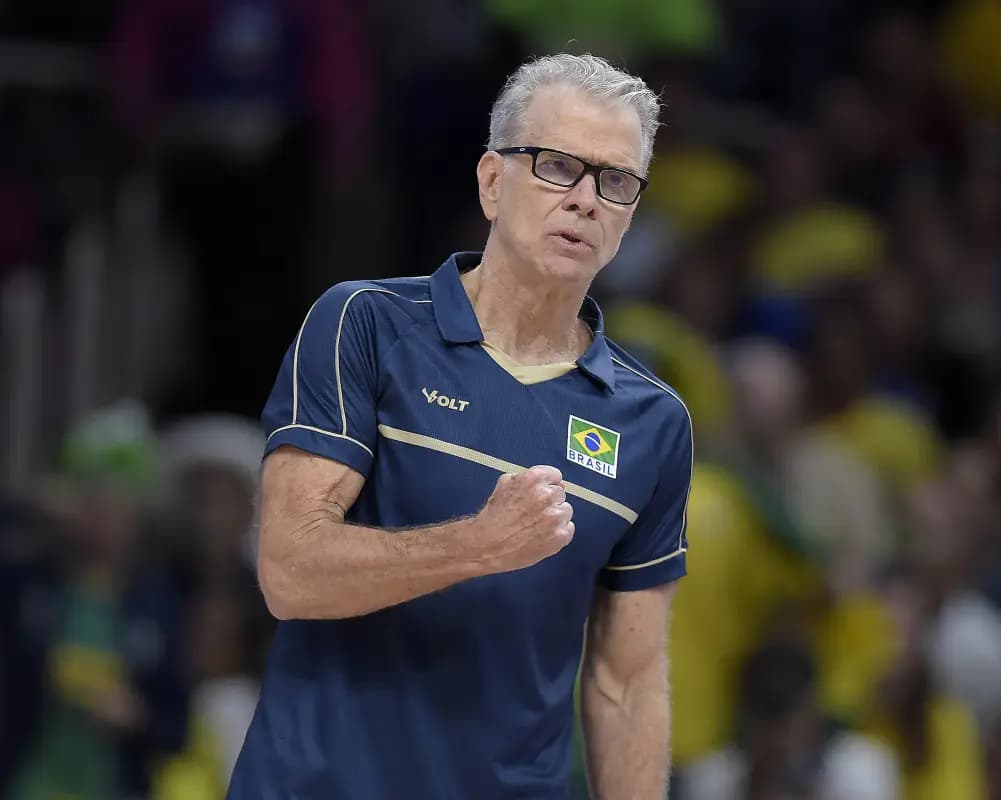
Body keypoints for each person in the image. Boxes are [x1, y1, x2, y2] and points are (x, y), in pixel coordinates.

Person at [227, 53, 693, 800]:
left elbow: (626, 681)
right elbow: (290, 571)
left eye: (616, 181)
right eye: (557, 166)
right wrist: (478, 545)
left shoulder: (654, 421)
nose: (586, 200)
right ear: (491, 181)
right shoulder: (364, 324)